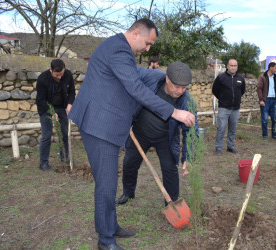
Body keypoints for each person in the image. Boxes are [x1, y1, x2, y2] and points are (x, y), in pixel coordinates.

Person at [68, 18, 194, 250]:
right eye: (147, 43)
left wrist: (166, 81)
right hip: (99, 125)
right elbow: (135, 89)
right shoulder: (119, 50)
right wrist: (173, 112)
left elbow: (136, 77)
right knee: (106, 185)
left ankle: (111, 226)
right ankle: (106, 241)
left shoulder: (119, 50)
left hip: (105, 124)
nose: (148, 49)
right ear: (136, 33)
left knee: (108, 182)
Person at [116, 62, 198, 206]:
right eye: (177, 86)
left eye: (184, 87)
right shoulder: (152, 77)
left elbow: (191, 132)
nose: (180, 91)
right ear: (167, 79)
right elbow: (129, 70)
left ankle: (171, 203)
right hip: (140, 132)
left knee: (170, 169)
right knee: (129, 163)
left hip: (165, 138)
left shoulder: (186, 101)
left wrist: (189, 157)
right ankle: (128, 192)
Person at [36, 59, 75, 171]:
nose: (59, 77)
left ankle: (66, 158)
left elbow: (72, 91)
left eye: (61, 74)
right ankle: (43, 163)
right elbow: (40, 100)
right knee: (47, 136)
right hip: (46, 108)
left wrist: (70, 104)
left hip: (62, 107)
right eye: (57, 75)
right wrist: (51, 112)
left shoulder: (67, 75)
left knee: (65, 134)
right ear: (51, 70)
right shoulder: (43, 79)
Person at [212, 59, 246, 155]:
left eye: (235, 65)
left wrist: (236, 99)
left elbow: (242, 91)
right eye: (231, 65)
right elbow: (215, 90)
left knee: (232, 129)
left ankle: (230, 146)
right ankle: (218, 148)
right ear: (227, 66)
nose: (233, 67)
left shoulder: (240, 78)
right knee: (221, 128)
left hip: (235, 108)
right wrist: (223, 98)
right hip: (224, 108)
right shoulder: (221, 77)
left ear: (237, 67)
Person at [257, 61, 276, 140]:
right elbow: (259, 89)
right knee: (264, 119)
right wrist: (261, 100)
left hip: (274, 101)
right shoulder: (262, 77)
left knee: (275, 119)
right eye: (275, 67)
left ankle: (274, 135)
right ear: (270, 68)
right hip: (265, 100)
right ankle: (265, 135)